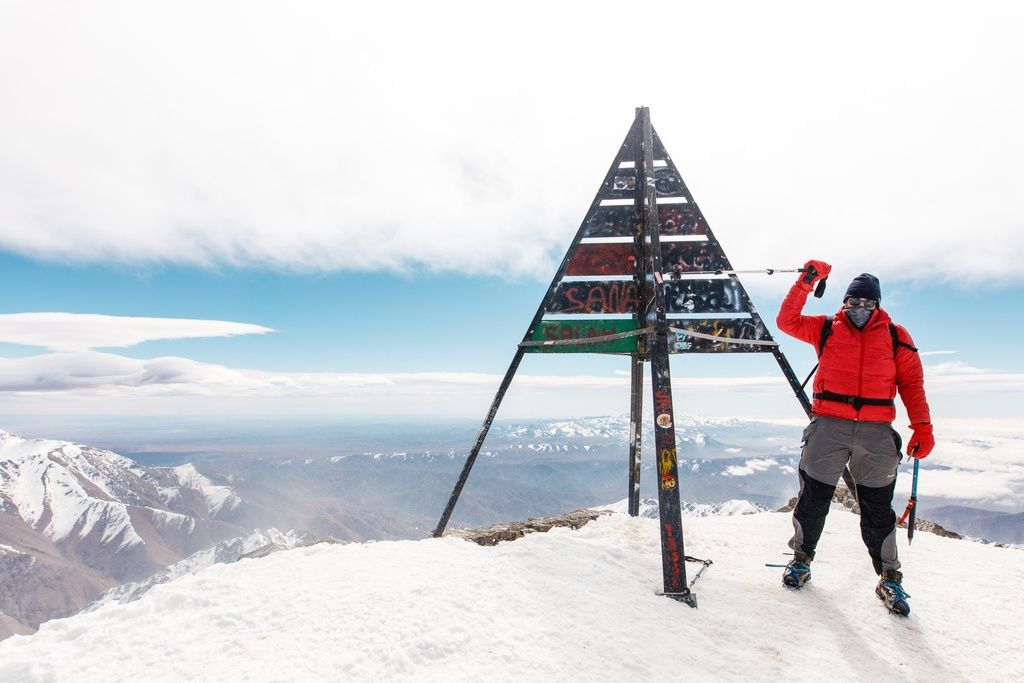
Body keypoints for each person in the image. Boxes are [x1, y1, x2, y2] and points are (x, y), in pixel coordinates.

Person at [776, 260, 934, 616]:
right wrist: (805, 284)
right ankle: (801, 559)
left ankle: (890, 576)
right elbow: (787, 322)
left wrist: (923, 427)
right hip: (829, 424)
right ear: (844, 302)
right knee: (814, 497)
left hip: (876, 431)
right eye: (853, 302)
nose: (860, 309)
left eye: (867, 303)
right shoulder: (826, 329)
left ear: (878, 305)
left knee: (877, 508)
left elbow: (911, 385)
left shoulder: (896, 335)